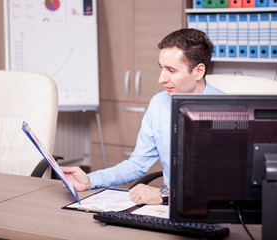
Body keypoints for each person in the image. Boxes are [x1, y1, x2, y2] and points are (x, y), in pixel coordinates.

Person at [61, 28, 224, 205]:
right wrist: (91, 180)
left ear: (198, 72)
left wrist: (164, 194)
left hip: (210, 209)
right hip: (168, 208)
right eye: (161, 68)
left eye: (171, 70)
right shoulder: (159, 103)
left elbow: (225, 182)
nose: (161, 79)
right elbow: (138, 164)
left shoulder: (227, 112)